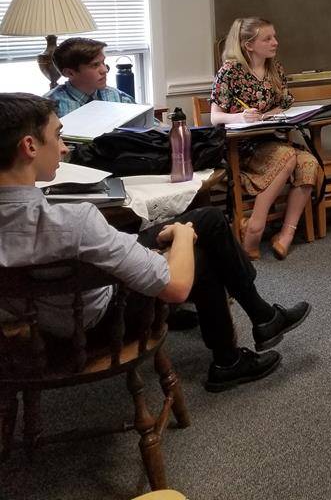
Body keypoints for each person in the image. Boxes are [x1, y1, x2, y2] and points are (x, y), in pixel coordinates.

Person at [0, 93, 311, 393]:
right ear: (29, 146)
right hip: (100, 326)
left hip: (39, 329)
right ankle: (231, 356)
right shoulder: (76, 222)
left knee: (209, 219)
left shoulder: (58, 223)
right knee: (201, 245)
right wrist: (182, 237)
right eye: (57, 136)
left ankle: (262, 318)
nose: (64, 148)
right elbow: (175, 287)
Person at [210, 17, 321, 260]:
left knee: (309, 163)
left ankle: (286, 234)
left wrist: (270, 114)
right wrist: (240, 117)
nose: (275, 42)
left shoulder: (275, 68)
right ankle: (255, 227)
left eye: (274, 37)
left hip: (273, 141)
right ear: (249, 45)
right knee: (287, 156)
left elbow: (284, 104)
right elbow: (215, 117)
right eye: (267, 39)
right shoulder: (230, 71)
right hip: (241, 148)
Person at [44, 37, 136, 117]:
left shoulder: (118, 98)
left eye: (103, 62)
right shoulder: (50, 108)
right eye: (95, 65)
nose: (105, 70)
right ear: (70, 73)